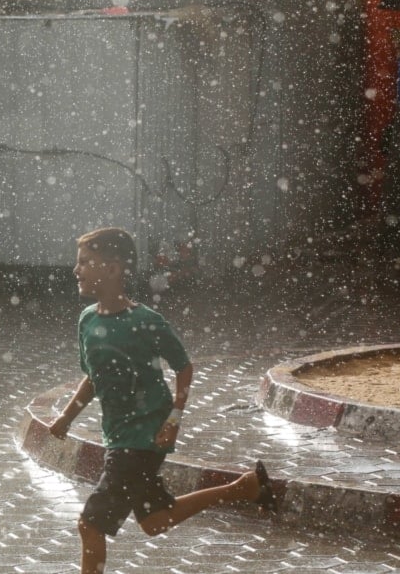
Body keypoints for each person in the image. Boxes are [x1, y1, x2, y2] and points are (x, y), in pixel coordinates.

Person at [49, 227, 276, 574]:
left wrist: (173, 420)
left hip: (143, 437)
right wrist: (68, 416)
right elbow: (94, 376)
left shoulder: (146, 322)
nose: (76, 270)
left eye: (85, 262)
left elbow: (184, 367)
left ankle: (243, 488)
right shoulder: (87, 320)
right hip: (119, 435)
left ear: (112, 269)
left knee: (90, 524)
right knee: (156, 520)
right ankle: (244, 487)